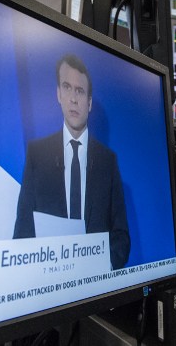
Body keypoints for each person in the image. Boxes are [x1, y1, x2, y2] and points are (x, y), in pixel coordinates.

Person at [13, 53, 130, 270]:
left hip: (97, 289)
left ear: (89, 103)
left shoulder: (108, 161)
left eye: (80, 91)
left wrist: (97, 268)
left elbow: (121, 238)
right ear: (58, 94)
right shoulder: (37, 155)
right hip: (50, 288)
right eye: (67, 88)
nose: (74, 99)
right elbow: (23, 233)